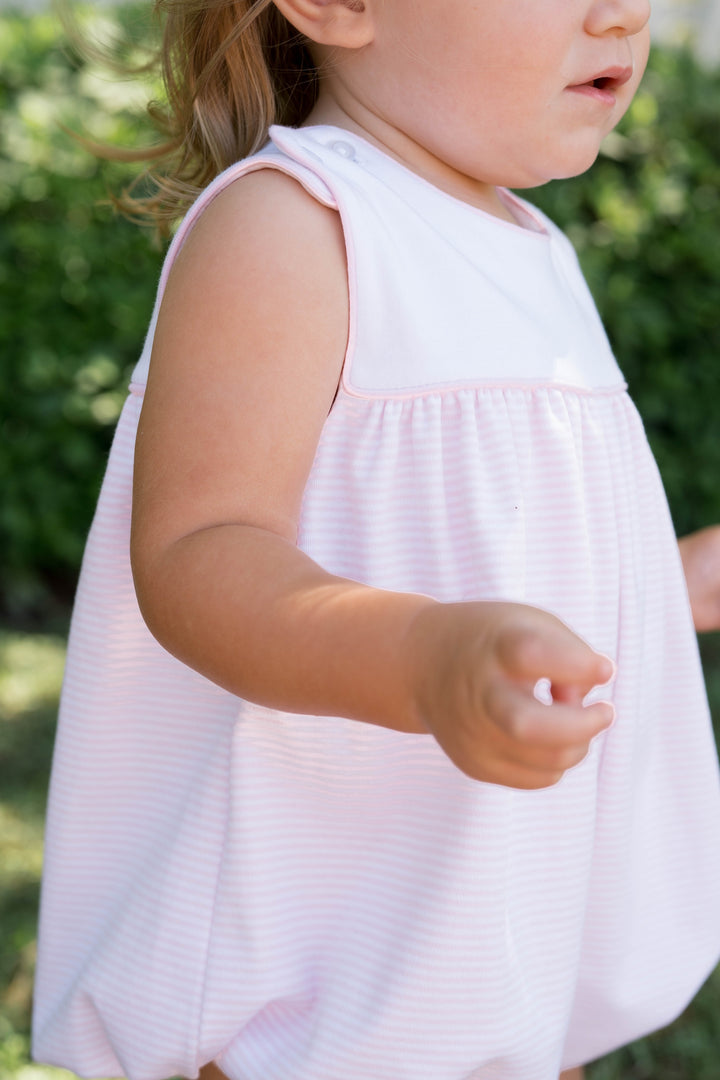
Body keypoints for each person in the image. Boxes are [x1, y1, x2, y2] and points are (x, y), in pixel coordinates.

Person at [32, 0, 720, 1078]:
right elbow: (199, 551)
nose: (624, 12)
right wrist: (428, 661)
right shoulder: (295, 224)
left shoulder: (528, 249)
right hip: (313, 1015)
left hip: (485, 977)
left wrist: (662, 585)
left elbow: (481, 548)